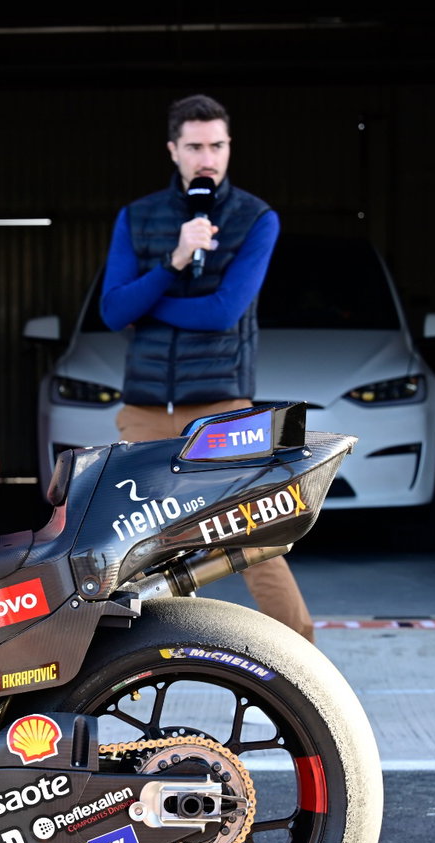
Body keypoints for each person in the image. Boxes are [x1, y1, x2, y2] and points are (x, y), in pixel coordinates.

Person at [100, 93, 315, 644]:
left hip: (222, 410)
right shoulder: (138, 216)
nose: (207, 159)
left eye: (217, 145)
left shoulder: (255, 218)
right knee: (126, 548)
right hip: (145, 409)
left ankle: (306, 662)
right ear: (173, 150)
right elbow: (112, 310)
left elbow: (223, 313)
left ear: (228, 148)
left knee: (251, 535)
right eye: (195, 146)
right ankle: (130, 666)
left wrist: (146, 301)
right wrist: (173, 262)